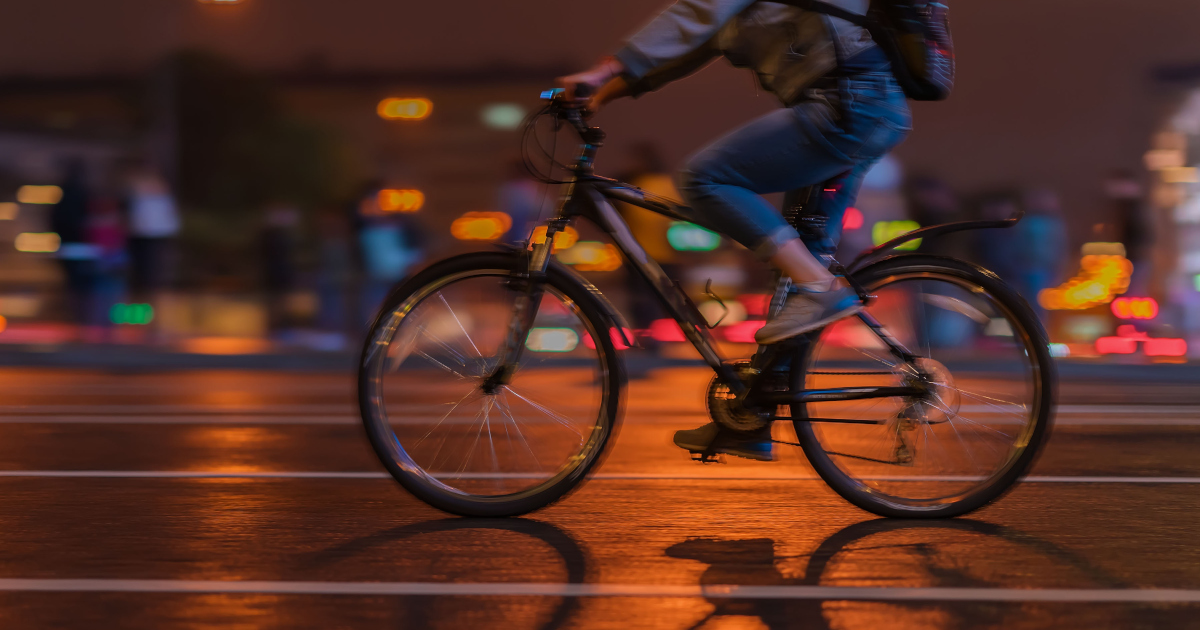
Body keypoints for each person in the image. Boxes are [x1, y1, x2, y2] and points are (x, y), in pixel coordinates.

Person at [556, 0, 913, 460]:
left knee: (705, 178)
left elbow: (697, 12)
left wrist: (603, 70)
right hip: (861, 105)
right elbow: (699, 40)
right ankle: (752, 417)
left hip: (846, 104)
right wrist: (606, 92)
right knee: (796, 270)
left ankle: (820, 287)